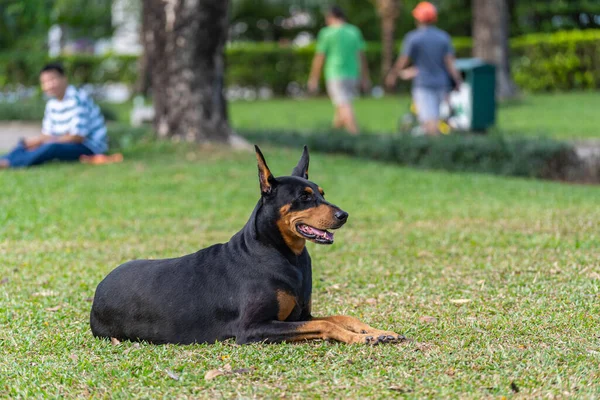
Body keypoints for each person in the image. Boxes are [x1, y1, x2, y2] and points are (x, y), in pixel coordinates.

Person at [0, 63, 108, 169]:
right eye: (45, 82)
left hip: (89, 147)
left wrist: (44, 141)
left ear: (64, 78)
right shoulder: (52, 104)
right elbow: (47, 134)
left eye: (52, 80)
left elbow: (77, 137)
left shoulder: (77, 99)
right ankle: (4, 159)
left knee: (51, 147)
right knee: (26, 144)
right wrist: (34, 141)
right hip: (64, 142)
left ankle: (10, 164)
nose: (49, 85)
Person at [386, 1, 463, 136]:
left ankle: (437, 151)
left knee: (429, 121)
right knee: (435, 119)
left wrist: (393, 75)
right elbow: (450, 63)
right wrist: (457, 81)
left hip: (423, 85)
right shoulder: (443, 37)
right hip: (441, 84)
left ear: (418, 18)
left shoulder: (413, 38)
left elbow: (403, 60)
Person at [308, 5, 371, 135]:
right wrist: (365, 77)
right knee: (341, 106)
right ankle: (333, 135)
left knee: (344, 105)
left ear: (330, 16)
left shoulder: (327, 33)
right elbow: (361, 57)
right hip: (352, 74)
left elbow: (319, 58)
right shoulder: (354, 31)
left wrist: (313, 78)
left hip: (335, 74)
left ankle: (356, 135)